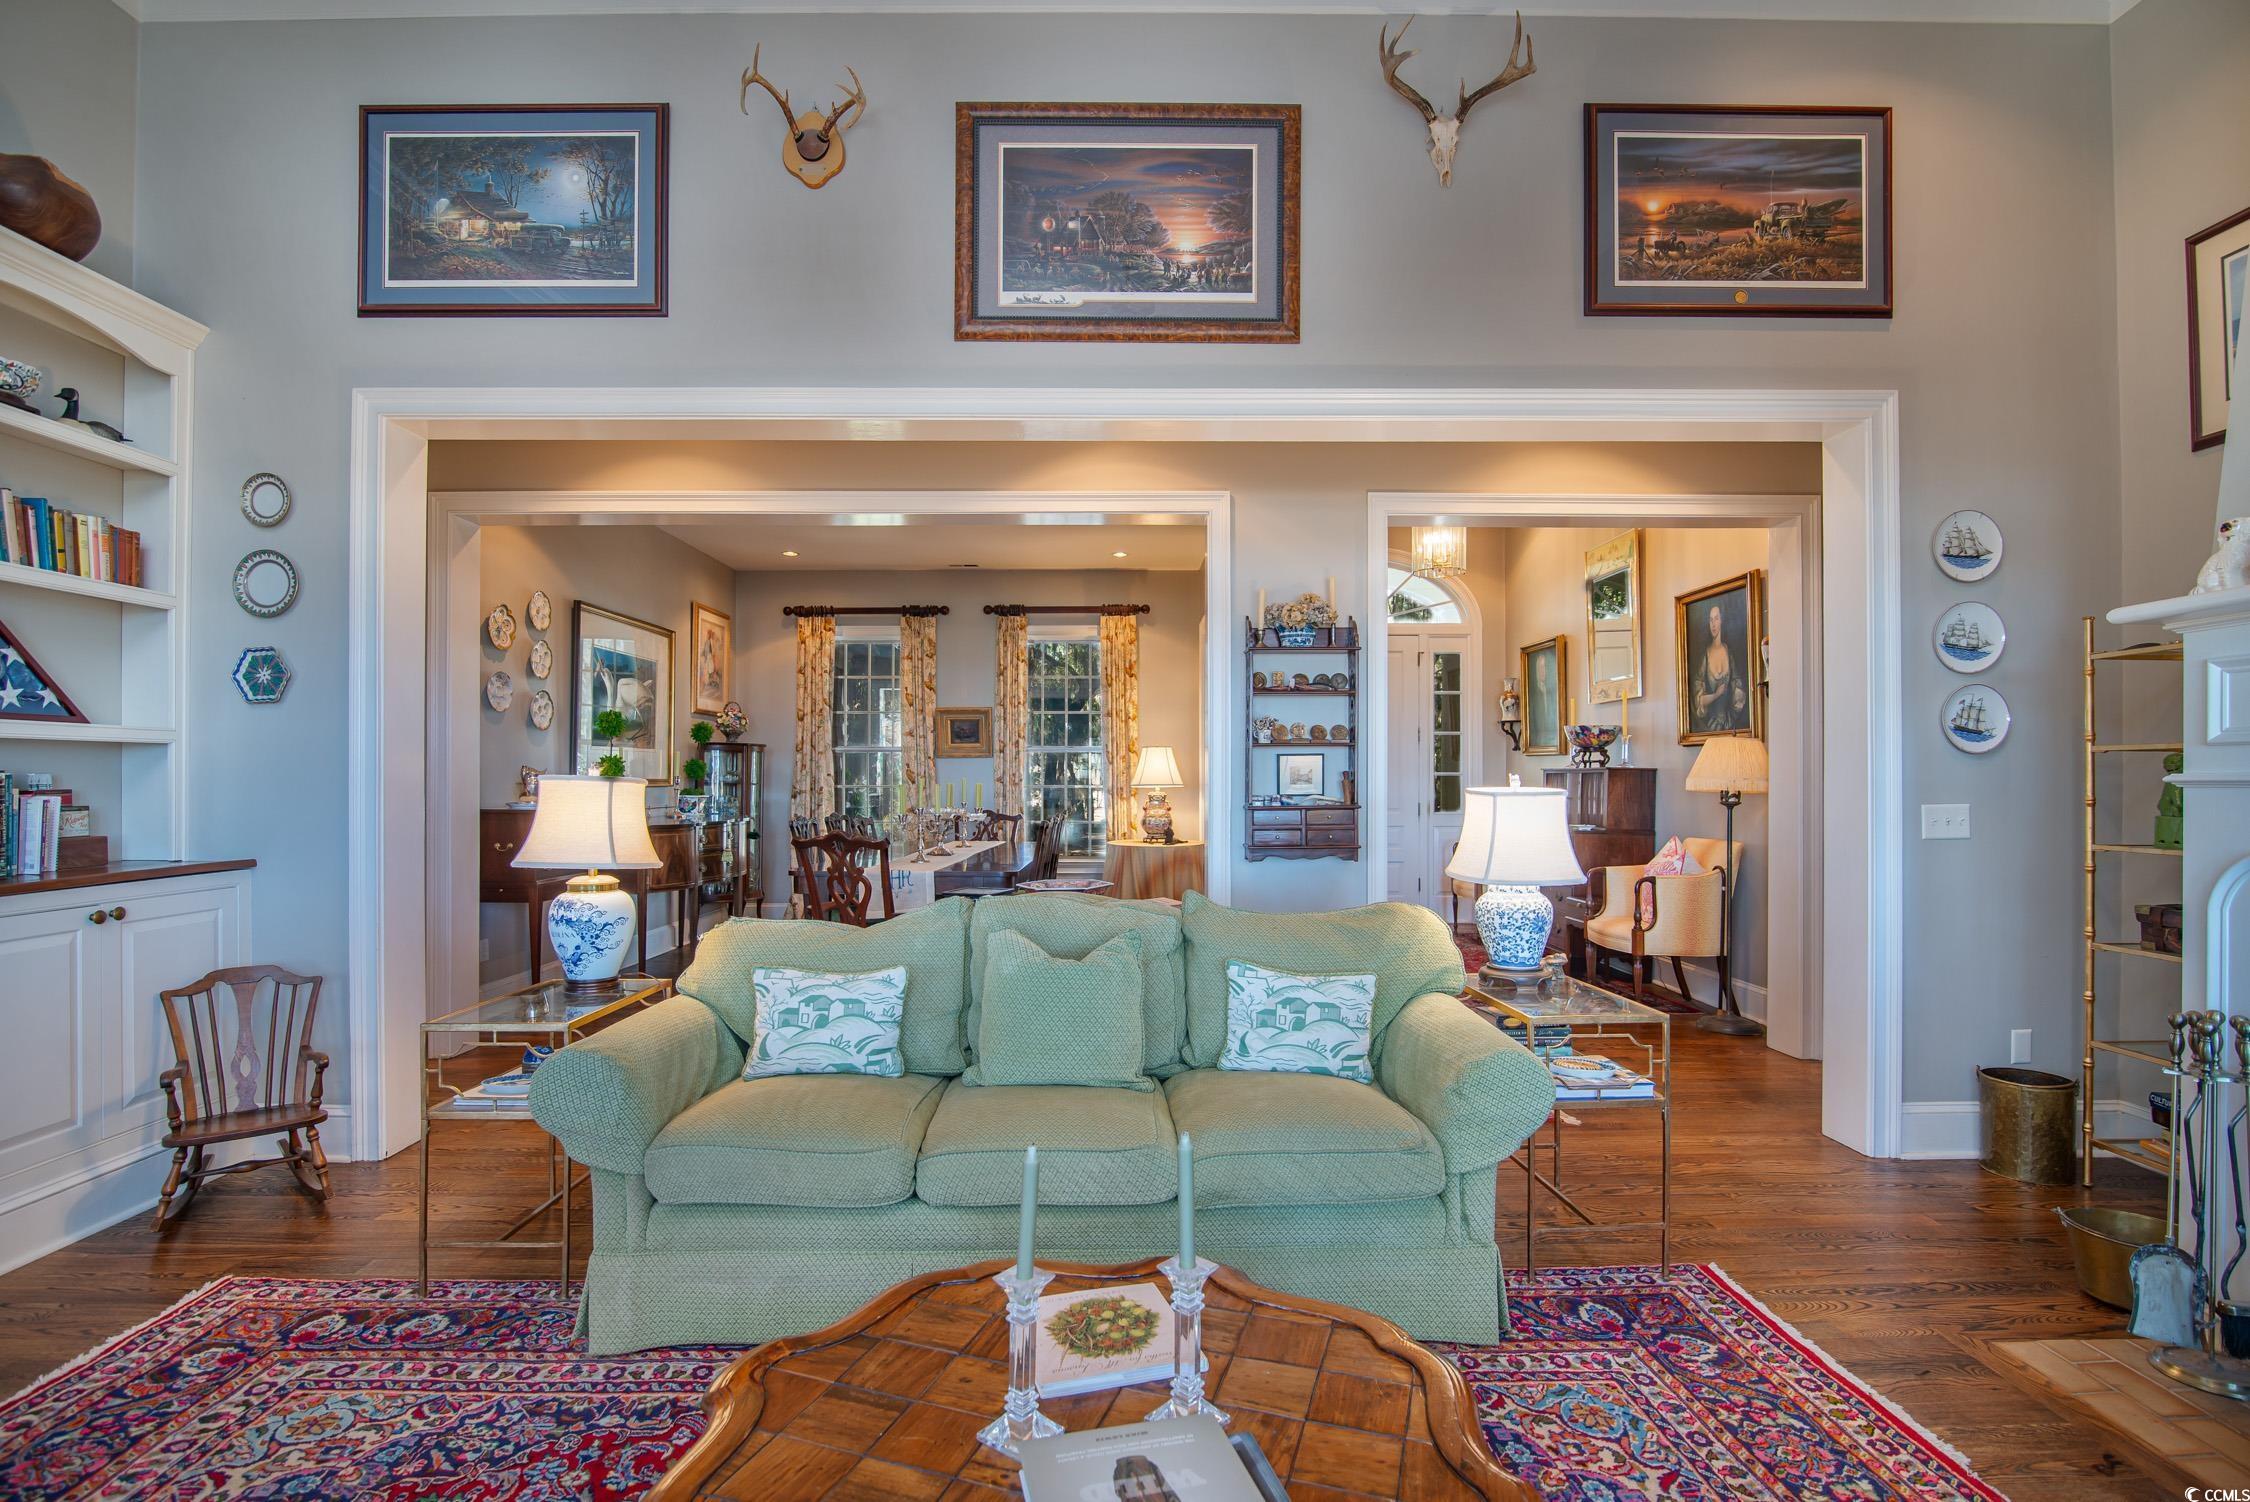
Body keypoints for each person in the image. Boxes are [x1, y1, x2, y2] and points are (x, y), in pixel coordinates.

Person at [1692, 601, 1747, 732]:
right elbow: (1699, 701)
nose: (1713, 624)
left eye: (1716, 619)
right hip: (1710, 725)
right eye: (1710, 620)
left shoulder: (1728, 653)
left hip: (1730, 724)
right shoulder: (1706, 655)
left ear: (1721, 621)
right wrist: (1716, 695)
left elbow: (1739, 691)